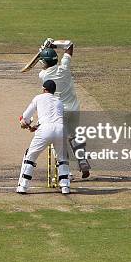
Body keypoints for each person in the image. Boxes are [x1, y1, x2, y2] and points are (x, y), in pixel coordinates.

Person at [38, 39, 91, 178]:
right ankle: (83, 160)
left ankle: (66, 172)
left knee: (58, 141)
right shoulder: (64, 67)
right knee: (74, 136)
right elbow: (69, 45)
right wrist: (54, 44)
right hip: (73, 108)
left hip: (58, 111)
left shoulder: (44, 76)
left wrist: (43, 50)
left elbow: (43, 65)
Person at [17, 80, 71, 194]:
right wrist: (35, 127)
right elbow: (54, 119)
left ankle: (23, 186)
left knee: (30, 156)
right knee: (62, 158)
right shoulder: (59, 102)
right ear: (53, 91)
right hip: (60, 129)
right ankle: (65, 186)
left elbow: (25, 118)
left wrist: (24, 124)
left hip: (45, 130)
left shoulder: (38, 98)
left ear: (43, 89)